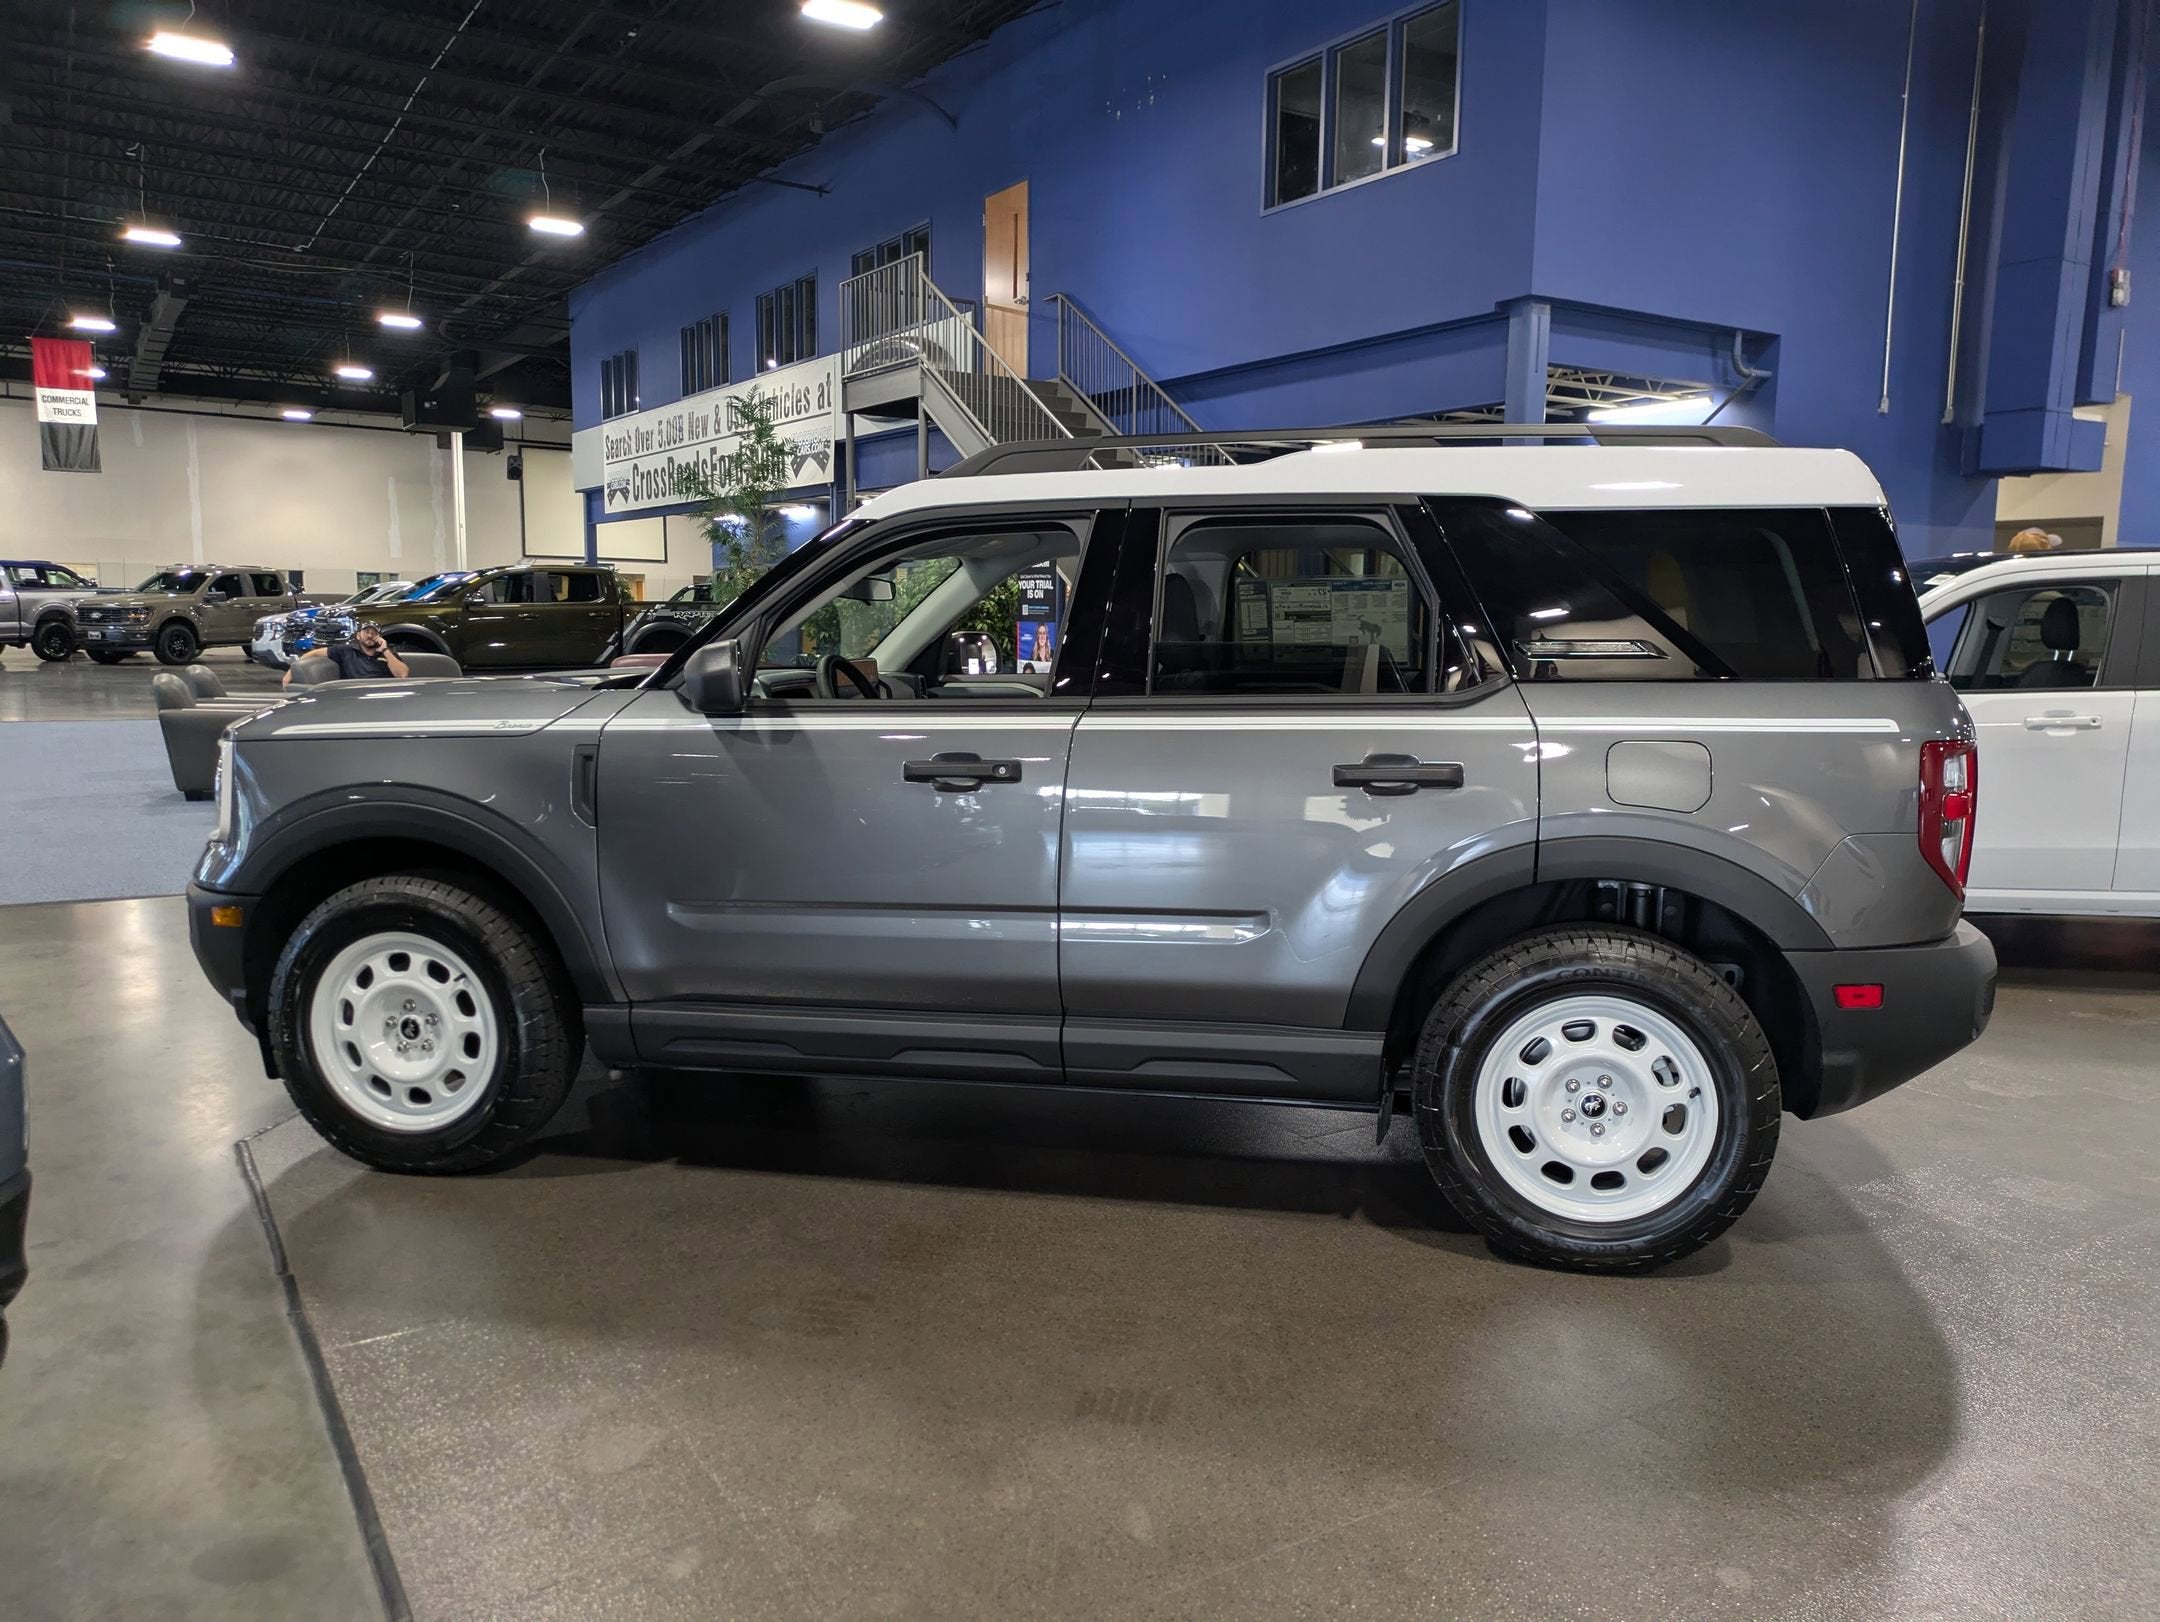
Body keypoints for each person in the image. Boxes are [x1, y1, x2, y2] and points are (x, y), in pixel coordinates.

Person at [282, 623, 410, 686]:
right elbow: (313, 653)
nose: (370, 635)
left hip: (383, 694)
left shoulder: (388, 653)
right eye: (366, 632)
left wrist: (385, 651)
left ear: (379, 636)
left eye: (374, 633)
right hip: (354, 695)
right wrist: (291, 671)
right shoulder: (345, 651)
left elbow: (402, 675)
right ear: (358, 635)